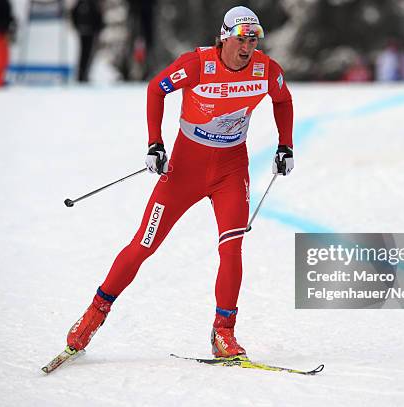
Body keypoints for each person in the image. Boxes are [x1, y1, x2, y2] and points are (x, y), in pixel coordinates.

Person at [65, 6, 294, 358]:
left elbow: (283, 100)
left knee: (231, 248)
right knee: (144, 244)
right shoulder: (197, 65)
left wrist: (285, 144)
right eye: (240, 39)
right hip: (185, 170)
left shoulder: (265, 70)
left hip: (231, 170)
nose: (247, 47)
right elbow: (156, 89)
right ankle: (94, 314)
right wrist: (154, 143)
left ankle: (223, 332)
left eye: (253, 39)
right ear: (224, 37)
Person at [71, 0, 104, 82]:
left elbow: (73, 13)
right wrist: (98, 28)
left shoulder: (81, 2)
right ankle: (83, 75)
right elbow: (98, 16)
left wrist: (77, 27)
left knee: (83, 54)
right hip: (89, 32)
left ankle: (82, 75)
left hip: (84, 31)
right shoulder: (92, 3)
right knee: (87, 54)